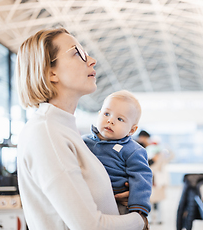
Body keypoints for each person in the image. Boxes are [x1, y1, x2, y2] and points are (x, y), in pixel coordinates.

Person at [16, 28, 149, 230]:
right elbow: (90, 226)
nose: (92, 60)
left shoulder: (64, 130)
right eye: (77, 53)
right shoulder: (48, 134)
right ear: (51, 72)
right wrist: (139, 219)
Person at [82, 90, 152, 216]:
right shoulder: (84, 142)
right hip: (87, 199)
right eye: (106, 114)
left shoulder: (132, 150)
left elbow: (142, 177)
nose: (110, 120)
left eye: (120, 119)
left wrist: (138, 208)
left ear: (132, 130)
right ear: (99, 114)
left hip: (119, 202)